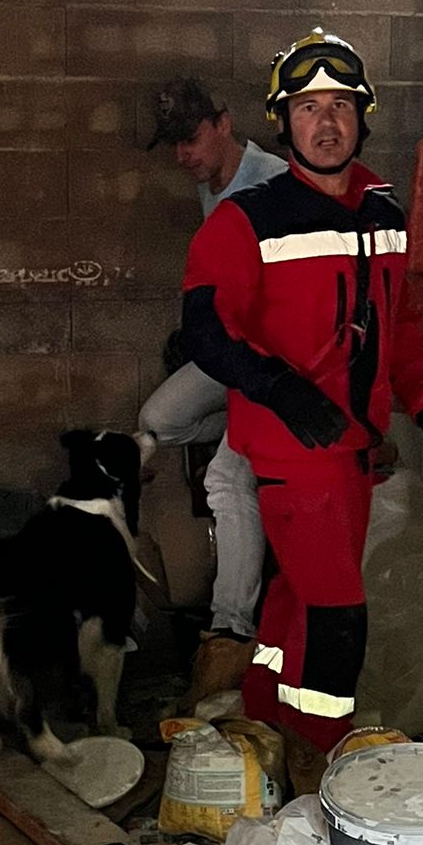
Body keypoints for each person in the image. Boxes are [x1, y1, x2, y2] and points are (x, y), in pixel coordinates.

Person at [180, 29, 423, 790]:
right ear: (283, 123)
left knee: (296, 598)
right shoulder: (247, 220)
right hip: (291, 450)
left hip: (352, 449)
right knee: (339, 612)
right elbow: (206, 330)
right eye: (308, 107)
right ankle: (321, 760)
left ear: (362, 117)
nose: (326, 122)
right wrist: (279, 389)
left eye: (340, 105)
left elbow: (399, 328)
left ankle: (263, 713)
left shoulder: (382, 214)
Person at [138, 79, 287, 704]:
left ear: (223, 125)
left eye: (191, 138)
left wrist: (261, 382)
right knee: (156, 421)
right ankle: (241, 426)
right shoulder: (213, 184)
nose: (183, 155)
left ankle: (230, 631)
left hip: (273, 359)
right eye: (173, 144)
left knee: (227, 479)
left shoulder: (272, 185)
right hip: (229, 352)